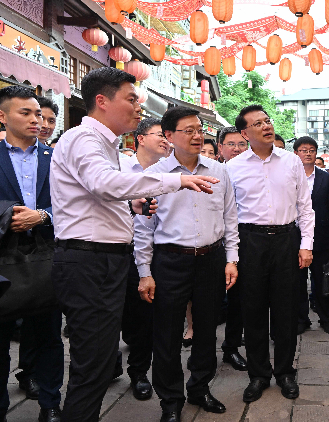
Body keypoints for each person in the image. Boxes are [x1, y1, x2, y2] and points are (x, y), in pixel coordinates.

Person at [49, 67, 217, 421]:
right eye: (130, 98)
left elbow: (99, 194)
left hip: (102, 261)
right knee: (93, 364)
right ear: (101, 101)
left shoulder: (105, 144)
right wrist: (176, 182)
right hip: (88, 262)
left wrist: (133, 204)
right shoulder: (84, 139)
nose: (139, 107)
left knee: (97, 360)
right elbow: (104, 184)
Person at [134, 106, 239, 422]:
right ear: (169, 136)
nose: (198, 135)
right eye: (188, 130)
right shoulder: (154, 176)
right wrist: (144, 272)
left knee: (207, 329)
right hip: (170, 261)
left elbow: (230, 217)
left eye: (199, 129)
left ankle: (200, 387)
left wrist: (232, 259)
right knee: (166, 333)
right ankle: (170, 400)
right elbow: (143, 227)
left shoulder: (220, 172)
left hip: (211, 258)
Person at [226, 104, 314, 404]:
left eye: (268, 121)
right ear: (244, 132)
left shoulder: (291, 162)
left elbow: (305, 206)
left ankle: (285, 371)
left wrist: (306, 244)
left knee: (286, 309)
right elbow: (230, 215)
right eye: (258, 123)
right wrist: (233, 256)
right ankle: (259, 374)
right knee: (252, 310)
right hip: (250, 241)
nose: (266, 126)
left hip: (286, 240)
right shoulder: (233, 168)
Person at [0, 86, 64, 422]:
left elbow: (75, 205)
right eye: (25, 112)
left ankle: (50, 404)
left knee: (49, 335)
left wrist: (44, 215)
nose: (36, 120)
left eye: (38, 113)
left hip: (46, 258)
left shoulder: (56, 159)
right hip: (3, 259)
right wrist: (7, 213)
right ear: (3, 116)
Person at [119, 117, 168, 402]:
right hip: (122, 251)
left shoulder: (171, 173)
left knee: (144, 317)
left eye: (166, 136)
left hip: (157, 253)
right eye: (159, 134)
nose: (164, 140)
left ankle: (139, 372)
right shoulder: (120, 169)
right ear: (140, 138)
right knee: (116, 313)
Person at [293, 136, 329, 335]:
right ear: (296, 153)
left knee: (322, 281)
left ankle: (326, 318)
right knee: (298, 282)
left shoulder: (326, 178)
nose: (308, 153)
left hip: (320, 237)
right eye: (303, 150)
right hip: (294, 237)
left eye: (311, 150)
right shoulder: (290, 176)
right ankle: (301, 319)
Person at [216, 126, 248, 372]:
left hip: (243, 240)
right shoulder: (214, 173)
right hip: (214, 242)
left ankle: (231, 346)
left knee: (238, 298)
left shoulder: (252, 170)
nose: (236, 149)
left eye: (241, 144)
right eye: (231, 144)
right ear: (220, 148)